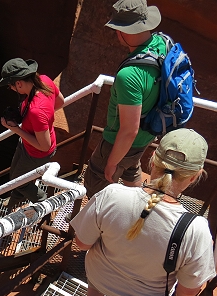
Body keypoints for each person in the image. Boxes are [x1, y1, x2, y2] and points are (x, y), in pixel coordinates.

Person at [71, 129, 216, 296]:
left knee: (100, 271)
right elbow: (188, 291)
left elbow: (83, 244)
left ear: (153, 159)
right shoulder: (196, 230)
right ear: (194, 177)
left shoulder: (112, 194)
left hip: (98, 275)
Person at [83, 0, 167, 198]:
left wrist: (111, 163)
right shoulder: (162, 43)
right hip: (147, 135)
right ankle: (135, 209)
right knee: (131, 166)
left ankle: (95, 225)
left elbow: (129, 131)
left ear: (123, 31)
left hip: (117, 142)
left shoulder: (129, 75)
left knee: (94, 183)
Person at [0, 58, 65, 210]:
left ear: (19, 83)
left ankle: (44, 202)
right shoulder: (44, 80)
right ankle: (16, 199)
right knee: (15, 175)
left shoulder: (36, 110)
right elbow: (60, 102)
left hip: (36, 153)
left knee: (18, 180)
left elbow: (44, 146)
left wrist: (17, 130)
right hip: (27, 144)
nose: (12, 89)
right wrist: (43, 122)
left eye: (11, 86)